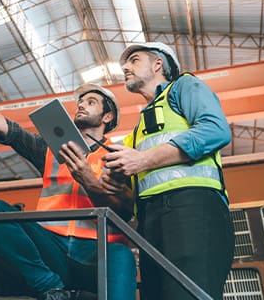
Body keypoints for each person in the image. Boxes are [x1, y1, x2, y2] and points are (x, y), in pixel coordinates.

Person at [0, 69, 136, 300]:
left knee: (122, 255)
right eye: (80, 102)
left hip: (94, 253)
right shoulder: (48, 149)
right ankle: (52, 289)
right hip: (50, 246)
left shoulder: (118, 156)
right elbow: (3, 126)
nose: (81, 105)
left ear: (107, 117)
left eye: (91, 102)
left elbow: (125, 211)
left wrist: (88, 180)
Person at [100, 42, 235, 300]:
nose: (125, 68)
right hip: (151, 220)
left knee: (186, 293)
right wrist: (115, 176)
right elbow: (129, 166)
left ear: (158, 64)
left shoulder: (184, 86)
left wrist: (144, 160)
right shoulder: (139, 127)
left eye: (134, 60)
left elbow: (215, 130)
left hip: (192, 207)